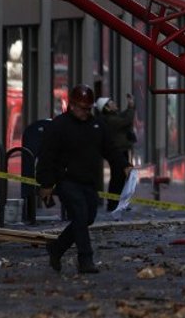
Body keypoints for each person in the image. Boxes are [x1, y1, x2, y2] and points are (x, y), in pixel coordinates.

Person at [37, 84, 132, 274]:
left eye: (88, 109)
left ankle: (57, 248)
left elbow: (110, 149)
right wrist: (46, 184)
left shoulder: (96, 126)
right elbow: (46, 156)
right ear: (72, 105)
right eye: (81, 108)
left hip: (88, 181)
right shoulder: (59, 126)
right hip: (66, 180)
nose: (84, 112)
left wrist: (124, 165)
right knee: (79, 215)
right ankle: (85, 259)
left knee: (87, 217)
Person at [94, 94, 136, 212]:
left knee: (121, 178)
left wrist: (129, 107)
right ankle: (113, 204)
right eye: (111, 103)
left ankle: (118, 203)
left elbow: (123, 116)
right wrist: (131, 107)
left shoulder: (112, 117)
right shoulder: (110, 120)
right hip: (117, 152)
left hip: (121, 150)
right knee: (117, 178)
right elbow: (126, 120)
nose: (114, 104)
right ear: (106, 108)